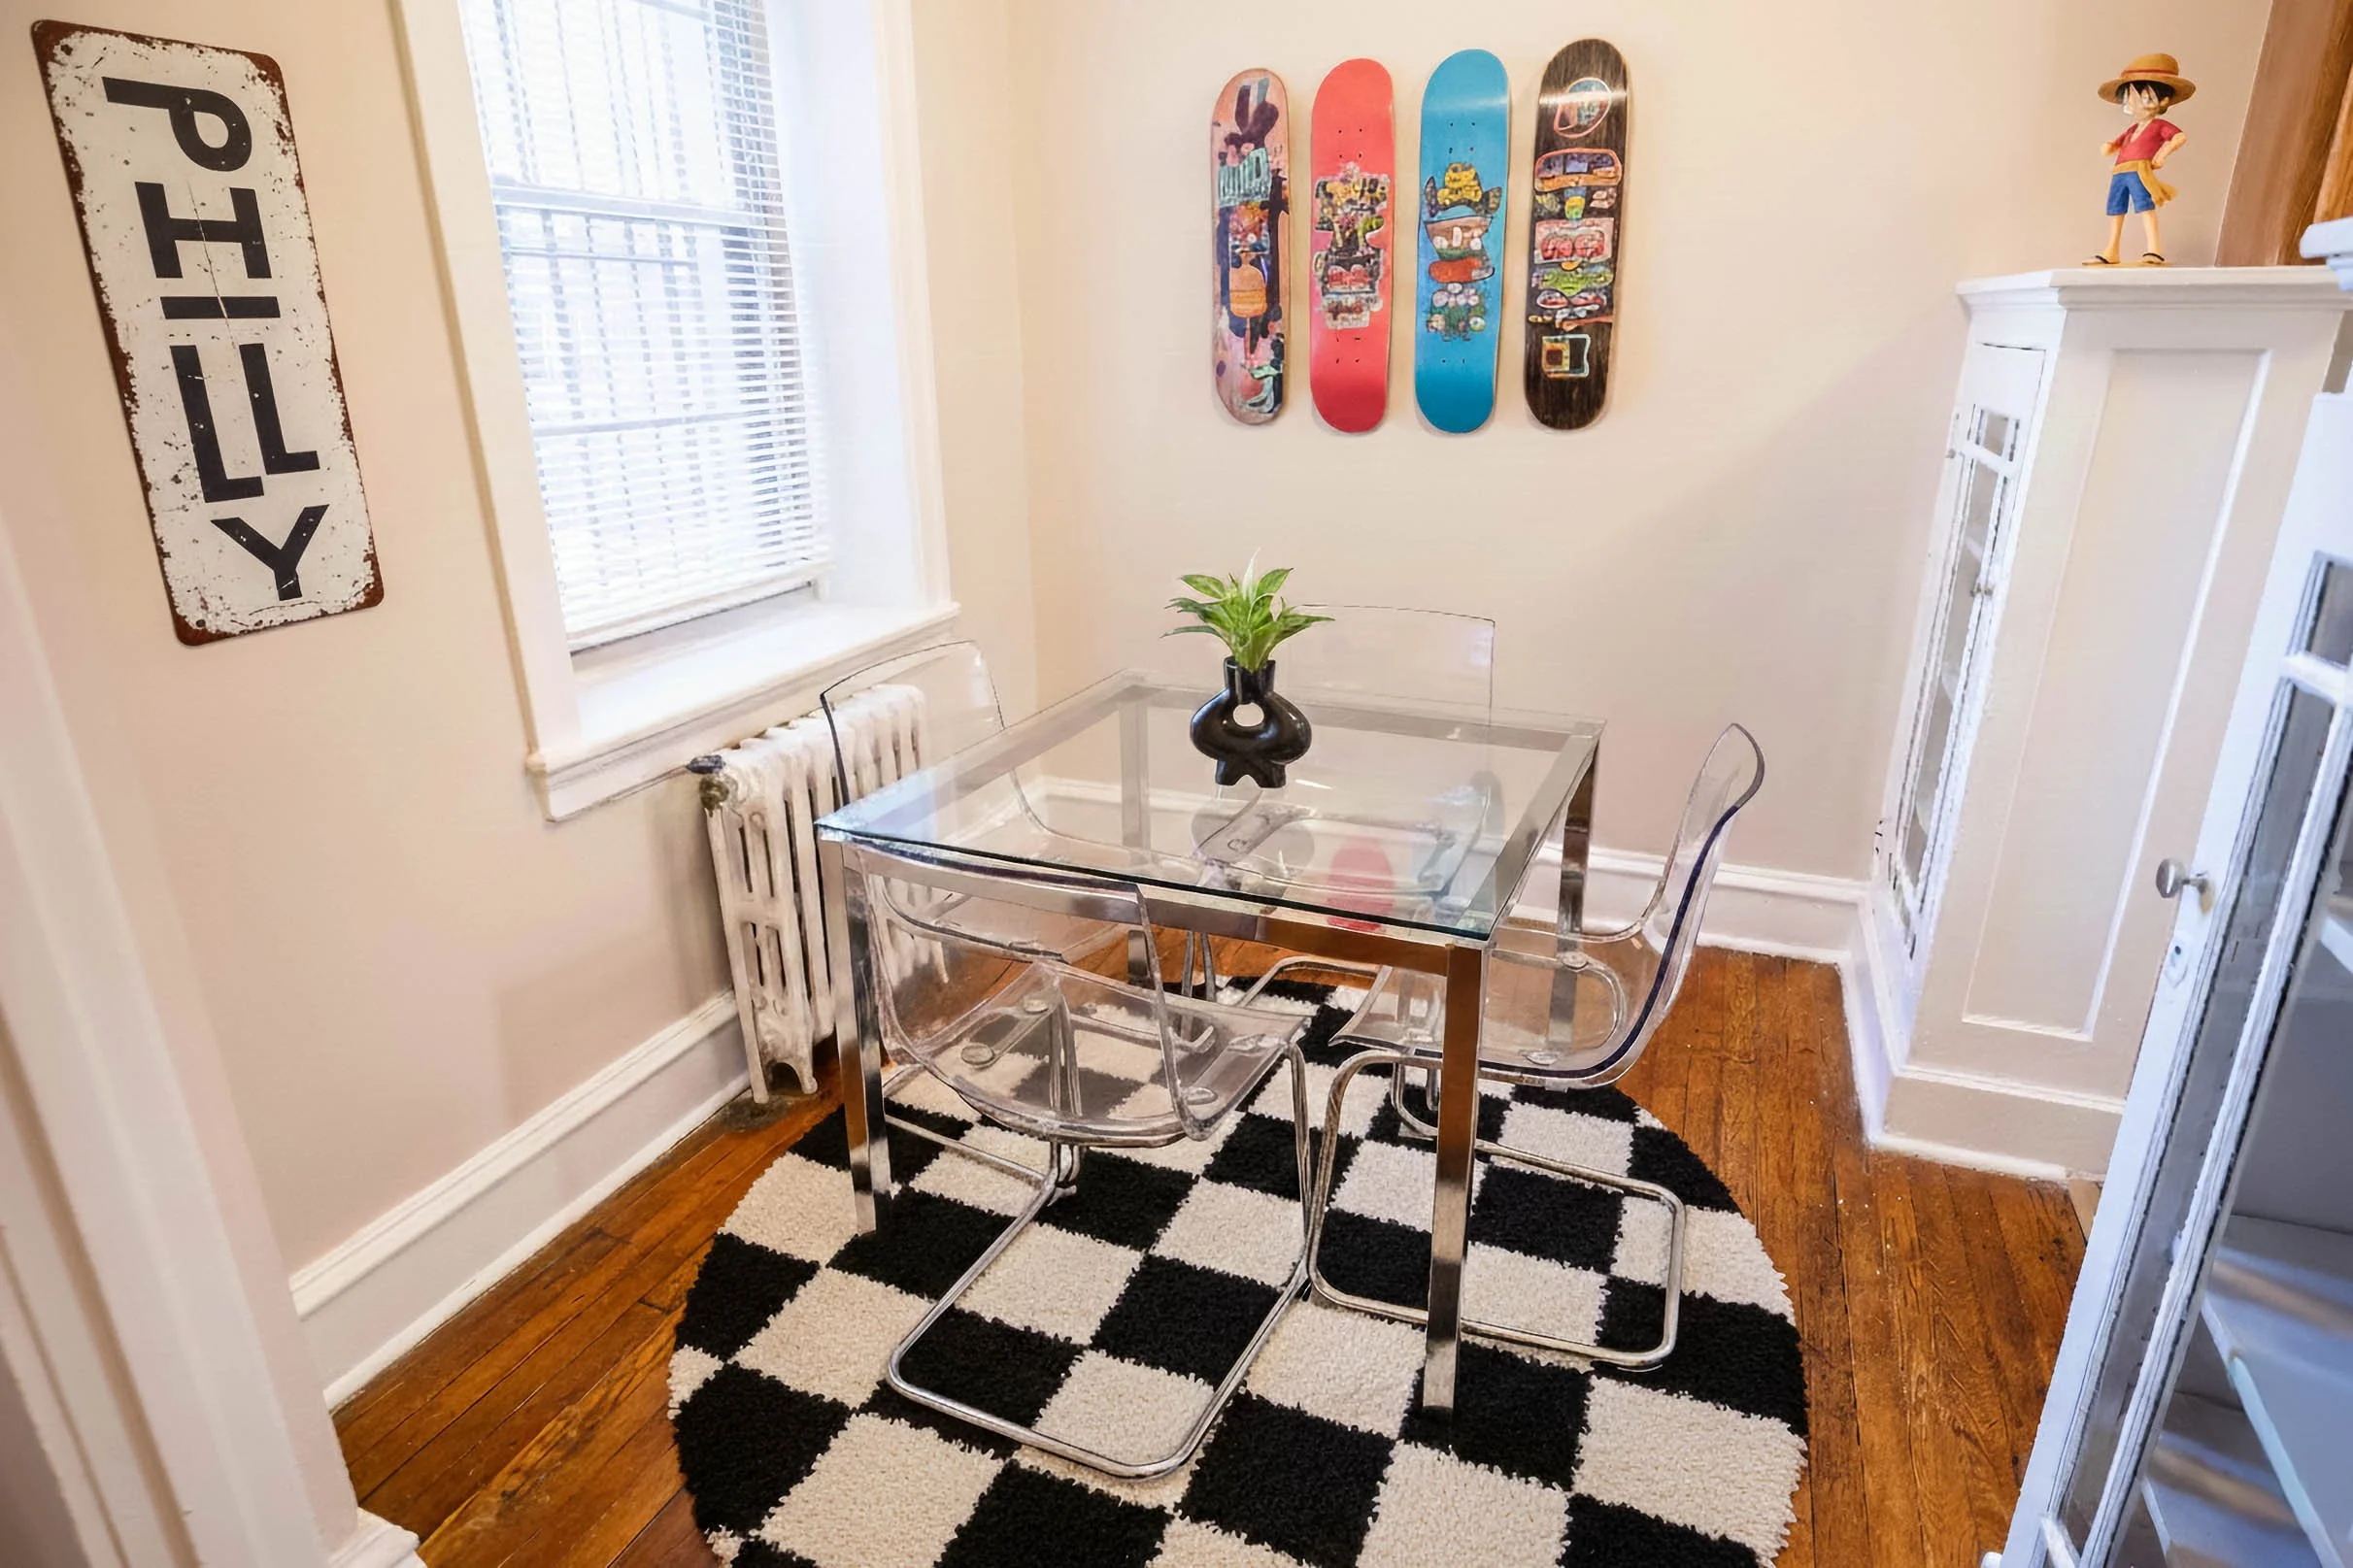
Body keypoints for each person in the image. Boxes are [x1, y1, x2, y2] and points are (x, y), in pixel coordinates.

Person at [2088, 53, 2195, 266]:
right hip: (2120, 171)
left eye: (2144, 97)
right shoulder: (2133, 128)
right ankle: (2111, 249)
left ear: (2163, 100)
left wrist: (2161, 155)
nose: (2135, 104)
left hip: (2139, 171)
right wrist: (2109, 146)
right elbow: (2117, 144)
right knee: (2116, 210)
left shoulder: (2158, 126)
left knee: (2145, 207)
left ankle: (2153, 249)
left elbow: (2179, 137)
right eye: (2130, 98)